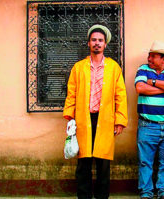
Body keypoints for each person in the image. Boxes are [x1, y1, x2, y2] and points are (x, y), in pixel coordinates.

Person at [63, 24, 128, 199]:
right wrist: (69, 116)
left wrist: (120, 121)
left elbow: (120, 95)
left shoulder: (114, 68)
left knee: (103, 163)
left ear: (105, 44)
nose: (97, 43)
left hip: (105, 120)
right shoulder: (79, 67)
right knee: (83, 162)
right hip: (83, 120)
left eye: (100, 40)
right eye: (94, 40)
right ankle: (83, 197)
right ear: (88, 43)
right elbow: (72, 92)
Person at [135, 40, 164, 199]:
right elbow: (140, 88)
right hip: (147, 125)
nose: (149, 58)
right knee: (145, 162)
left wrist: (153, 82)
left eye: (153, 56)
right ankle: (146, 193)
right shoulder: (143, 69)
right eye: (149, 55)